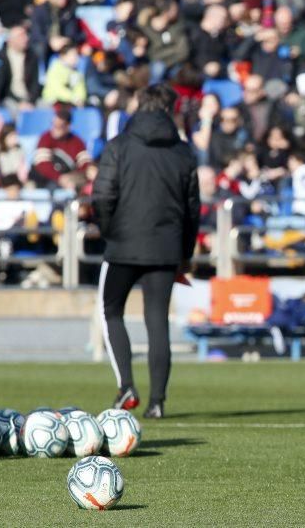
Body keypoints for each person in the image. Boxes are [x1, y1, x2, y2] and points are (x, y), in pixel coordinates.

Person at [93, 84, 200, 419]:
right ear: (171, 109)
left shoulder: (119, 145)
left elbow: (102, 196)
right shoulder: (183, 152)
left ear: (139, 105)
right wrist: (185, 252)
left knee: (111, 311)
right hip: (166, 248)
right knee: (158, 323)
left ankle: (126, 384)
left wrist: (110, 232)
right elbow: (192, 208)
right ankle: (157, 402)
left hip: (122, 245)